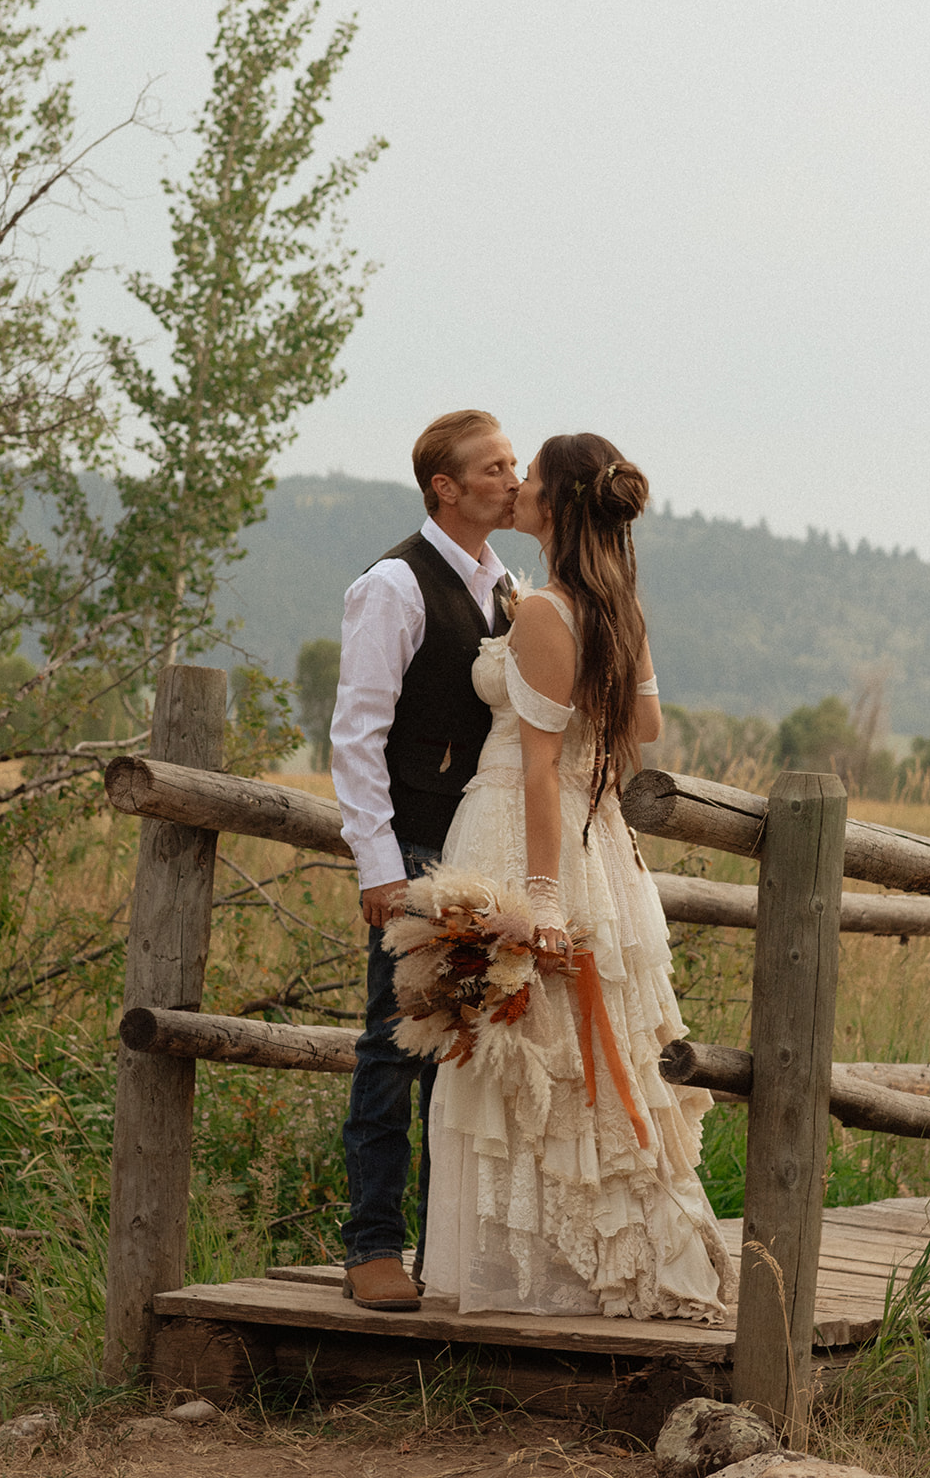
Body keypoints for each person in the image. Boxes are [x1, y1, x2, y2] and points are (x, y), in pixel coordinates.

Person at [419, 433, 736, 1319]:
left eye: (529, 479)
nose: (514, 487)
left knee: (533, 1054)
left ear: (553, 504)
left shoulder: (547, 612)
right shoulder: (614, 608)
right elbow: (648, 725)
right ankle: (570, 1256)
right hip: (595, 831)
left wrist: (543, 899)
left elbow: (536, 765)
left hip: (531, 832)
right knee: (572, 1054)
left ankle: (554, 1272)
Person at [329, 408, 518, 1310]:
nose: (510, 478)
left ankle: (443, 1246)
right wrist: (377, 864)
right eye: (492, 466)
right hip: (409, 843)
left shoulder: (506, 582)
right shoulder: (394, 586)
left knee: (467, 1048)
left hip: (480, 846)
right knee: (390, 1046)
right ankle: (371, 1246)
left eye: (514, 463)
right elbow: (356, 738)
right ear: (444, 486)